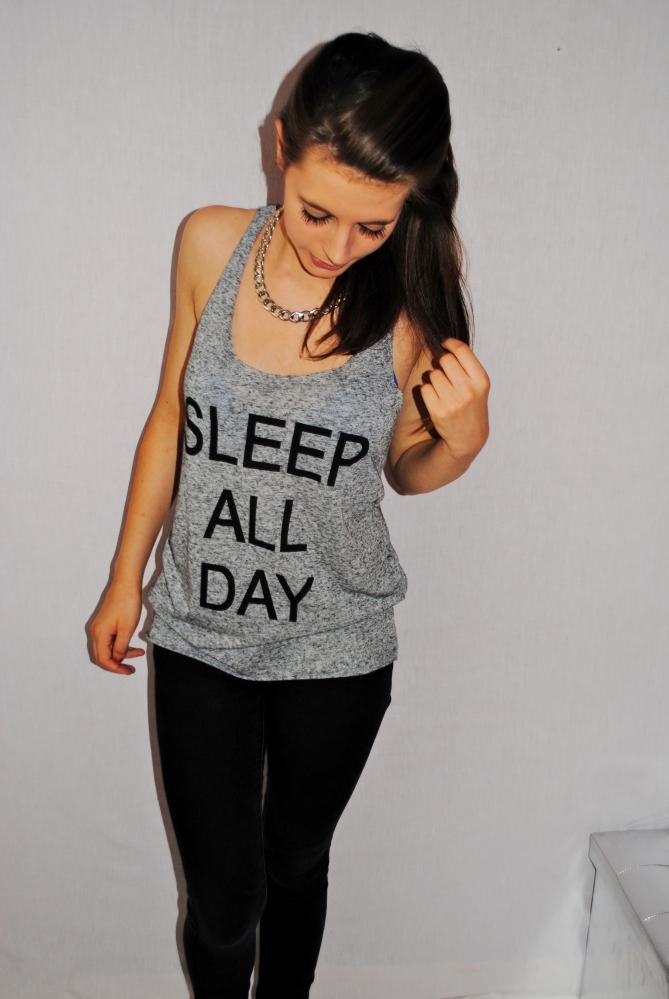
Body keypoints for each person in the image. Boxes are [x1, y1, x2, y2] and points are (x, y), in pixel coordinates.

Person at [88, 30, 490, 999]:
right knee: (223, 904)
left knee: (296, 865)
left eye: (372, 227)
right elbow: (172, 415)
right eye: (318, 212)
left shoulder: (410, 295)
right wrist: (124, 578)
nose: (337, 247)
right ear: (279, 146)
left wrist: (463, 441)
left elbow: (407, 470)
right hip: (200, 632)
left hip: (339, 647)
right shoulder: (210, 244)